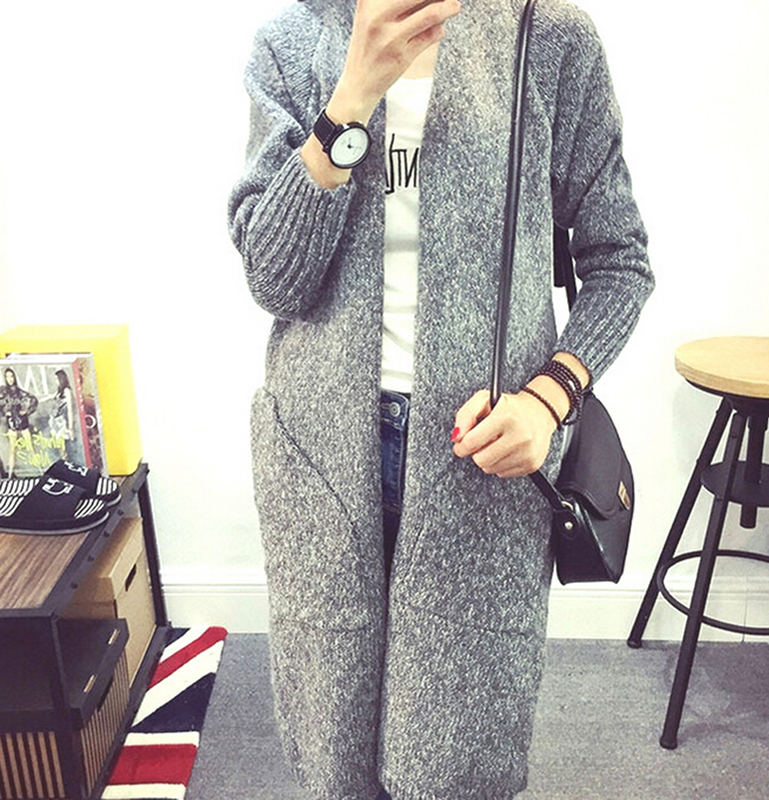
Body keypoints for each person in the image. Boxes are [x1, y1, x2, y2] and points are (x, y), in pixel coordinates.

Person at [228, 1, 654, 798]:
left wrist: (549, 399)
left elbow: (619, 261)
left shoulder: (548, 36)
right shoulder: (296, 41)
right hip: (322, 456)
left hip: (483, 464)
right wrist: (350, 98)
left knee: (454, 764)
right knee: (337, 752)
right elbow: (275, 279)